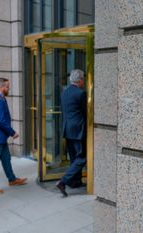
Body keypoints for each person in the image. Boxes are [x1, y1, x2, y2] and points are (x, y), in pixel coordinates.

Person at [56, 69, 87, 197]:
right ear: (80, 80)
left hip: (67, 129)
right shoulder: (81, 93)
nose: (84, 82)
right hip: (78, 130)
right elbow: (86, 112)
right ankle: (63, 181)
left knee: (74, 157)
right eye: (83, 79)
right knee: (82, 157)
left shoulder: (64, 93)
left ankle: (75, 182)